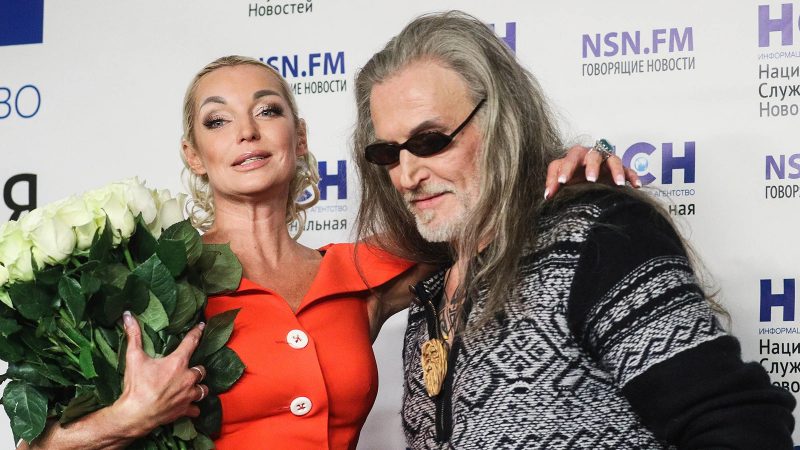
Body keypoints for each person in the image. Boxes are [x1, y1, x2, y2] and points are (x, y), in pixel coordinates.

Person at [14, 55, 629, 449]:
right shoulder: (149, 285)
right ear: (193, 156)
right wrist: (129, 416)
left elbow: (477, 208)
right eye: (217, 121)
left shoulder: (360, 270)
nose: (247, 131)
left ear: (299, 137)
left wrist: (566, 167)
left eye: (268, 110)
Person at [351, 11, 796, 449]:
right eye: (387, 154)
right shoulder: (428, 294)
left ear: (502, 121)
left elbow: (740, 426)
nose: (406, 176)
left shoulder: (595, 238)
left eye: (430, 141)